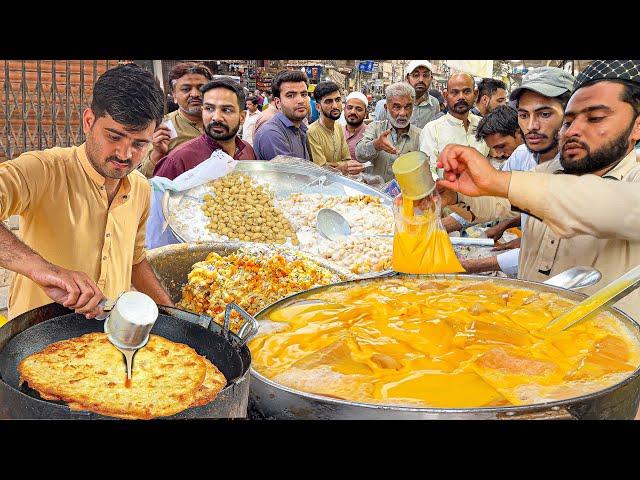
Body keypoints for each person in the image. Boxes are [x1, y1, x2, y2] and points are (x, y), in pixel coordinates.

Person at [436, 59, 640, 320]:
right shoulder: (550, 172)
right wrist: (454, 193)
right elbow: (501, 201)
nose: (573, 131)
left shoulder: (633, 179)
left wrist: (500, 182)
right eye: (569, 121)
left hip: (599, 354)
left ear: (637, 126)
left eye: (595, 118)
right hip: (530, 332)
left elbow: (598, 204)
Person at [0, 63, 173, 320]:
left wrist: (172, 313)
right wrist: (44, 270)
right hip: (36, 336)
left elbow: (135, 260)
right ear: (89, 121)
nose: (125, 155)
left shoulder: (140, 188)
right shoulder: (44, 169)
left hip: (108, 340)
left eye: (139, 144)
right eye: (114, 137)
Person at [445, 68, 575, 275]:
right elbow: (498, 201)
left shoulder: (582, 173)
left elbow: (542, 251)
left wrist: (463, 266)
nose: (531, 126)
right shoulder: (527, 156)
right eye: (524, 115)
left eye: (545, 114)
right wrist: (455, 199)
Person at [154, 78, 255, 180]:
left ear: (242, 117)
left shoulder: (247, 151)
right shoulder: (178, 161)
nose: (216, 117)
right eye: (209, 109)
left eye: (226, 110)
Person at [138, 62, 213, 178]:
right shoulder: (162, 128)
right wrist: (157, 153)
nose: (195, 94)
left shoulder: (220, 122)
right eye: (186, 89)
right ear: (174, 95)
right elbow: (141, 176)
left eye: (202, 88)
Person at [419, 72, 489, 169]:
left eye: (467, 91)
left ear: (475, 94)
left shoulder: (484, 125)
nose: (461, 97)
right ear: (445, 95)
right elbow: (429, 171)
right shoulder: (432, 130)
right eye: (454, 92)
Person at [355, 82, 422, 181]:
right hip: (374, 195)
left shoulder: (420, 135)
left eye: (407, 107)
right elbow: (359, 155)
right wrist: (376, 145)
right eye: (397, 107)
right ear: (386, 108)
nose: (403, 113)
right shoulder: (375, 128)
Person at [307, 82, 363, 175]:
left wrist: (337, 165)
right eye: (328, 101)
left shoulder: (338, 127)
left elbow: (347, 159)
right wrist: (341, 166)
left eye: (337, 100)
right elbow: (321, 169)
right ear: (318, 107)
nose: (335, 106)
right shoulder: (312, 132)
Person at [253, 70, 311, 161]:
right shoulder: (272, 134)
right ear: (278, 103)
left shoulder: (300, 128)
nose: (301, 100)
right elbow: (291, 174)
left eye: (304, 94)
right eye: (290, 95)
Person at [376, 61, 440, 128]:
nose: (421, 80)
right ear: (407, 78)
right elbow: (378, 131)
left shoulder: (434, 104)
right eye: (416, 75)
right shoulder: (387, 105)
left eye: (425, 75)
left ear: (431, 78)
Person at [343, 92, 369, 161]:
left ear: (365, 114)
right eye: (349, 108)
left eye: (358, 109)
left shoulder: (371, 134)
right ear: (344, 110)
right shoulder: (336, 131)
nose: (353, 112)